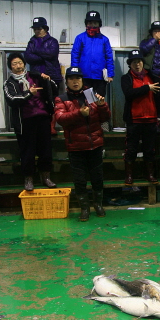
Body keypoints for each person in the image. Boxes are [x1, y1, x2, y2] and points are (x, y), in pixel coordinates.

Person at [54, 66, 110, 221]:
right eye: (72, 79)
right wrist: (79, 113)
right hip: (76, 147)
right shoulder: (62, 98)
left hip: (95, 144)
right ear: (67, 81)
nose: (75, 81)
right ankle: (84, 208)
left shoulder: (89, 94)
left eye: (78, 78)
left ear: (82, 80)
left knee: (97, 178)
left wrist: (102, 106)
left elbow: (104, 117)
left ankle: (98, 205)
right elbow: (60, 119)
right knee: (79, 180)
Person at [3, 52, 57, 192]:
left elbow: (54, 90)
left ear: (24, 64)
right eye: (14, 64)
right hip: (25, 122)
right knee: (27, 152)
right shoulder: (9, 83)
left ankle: (46, 176)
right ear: (10, 67)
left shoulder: (35, 76)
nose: (18, 66)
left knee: (45, 150)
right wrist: (28, 94)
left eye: (20, 63)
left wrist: (47, 80)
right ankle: (28, 178)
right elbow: (12, 100)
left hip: (43, 118)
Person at [121, 49, 160, 186]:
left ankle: (149, 175)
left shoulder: (152, 76)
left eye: (139, 61)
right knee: (131, 149)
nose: (137, 64)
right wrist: (147, 88)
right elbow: (129, 93)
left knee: (149, 149)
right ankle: (129, 176)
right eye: (134, 62)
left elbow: (159, 93)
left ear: (143, 63)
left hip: (150, 119)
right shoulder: (126, 78)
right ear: (130, 64)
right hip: (134, 120)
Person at [71, 10, 114, 99]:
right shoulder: (80, 38)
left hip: (100, 77)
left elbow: (109, 57)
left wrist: (110, 74)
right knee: (88, 101)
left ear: (99, 24)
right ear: (86, 24)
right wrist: (75, 73)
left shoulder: (104, 39)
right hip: (85, 76)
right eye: (90, 22)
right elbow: (75, 55)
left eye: (95, 23)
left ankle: (99, 113)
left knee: (99, 100)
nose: (93, 25)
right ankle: (89, 113)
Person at [139, 21, 160, 117]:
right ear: (151, 33)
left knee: (159, 102)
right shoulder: (145, 42)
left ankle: (158, 123)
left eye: (159, 31)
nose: (157, 33)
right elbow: (143, 50)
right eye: (155, 31)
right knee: (147, 99)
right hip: (148, 75)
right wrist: (154, 40)